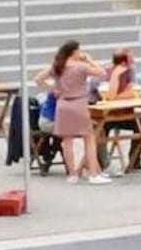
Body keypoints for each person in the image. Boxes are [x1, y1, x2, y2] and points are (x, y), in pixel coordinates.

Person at [36, 41, 109, 184]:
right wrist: (90, 60)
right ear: (74, 52)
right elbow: (102, 73)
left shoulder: (57, 66)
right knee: (88, 138)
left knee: (66, 141)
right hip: (79, 103)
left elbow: (38, 79)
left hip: (63, 104)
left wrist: (54, 89)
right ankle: (93, 174)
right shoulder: (81, 67)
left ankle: (72, 174)